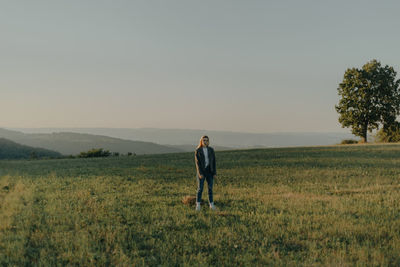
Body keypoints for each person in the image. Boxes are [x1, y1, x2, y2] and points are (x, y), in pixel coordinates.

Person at [194, 135, 217, 211]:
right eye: (204, 140)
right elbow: (197, 163)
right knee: (200, 188)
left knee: (210, 188)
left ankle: (211, 204)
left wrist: (214, 173)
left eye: (207, 140)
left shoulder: (211, 150)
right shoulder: (198, 150)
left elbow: (214, 162)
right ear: (201, 141)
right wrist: (200, 173)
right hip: (202, 172)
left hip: (209, 171)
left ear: (208, 141)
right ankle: (198, 205)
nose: (205, 141)